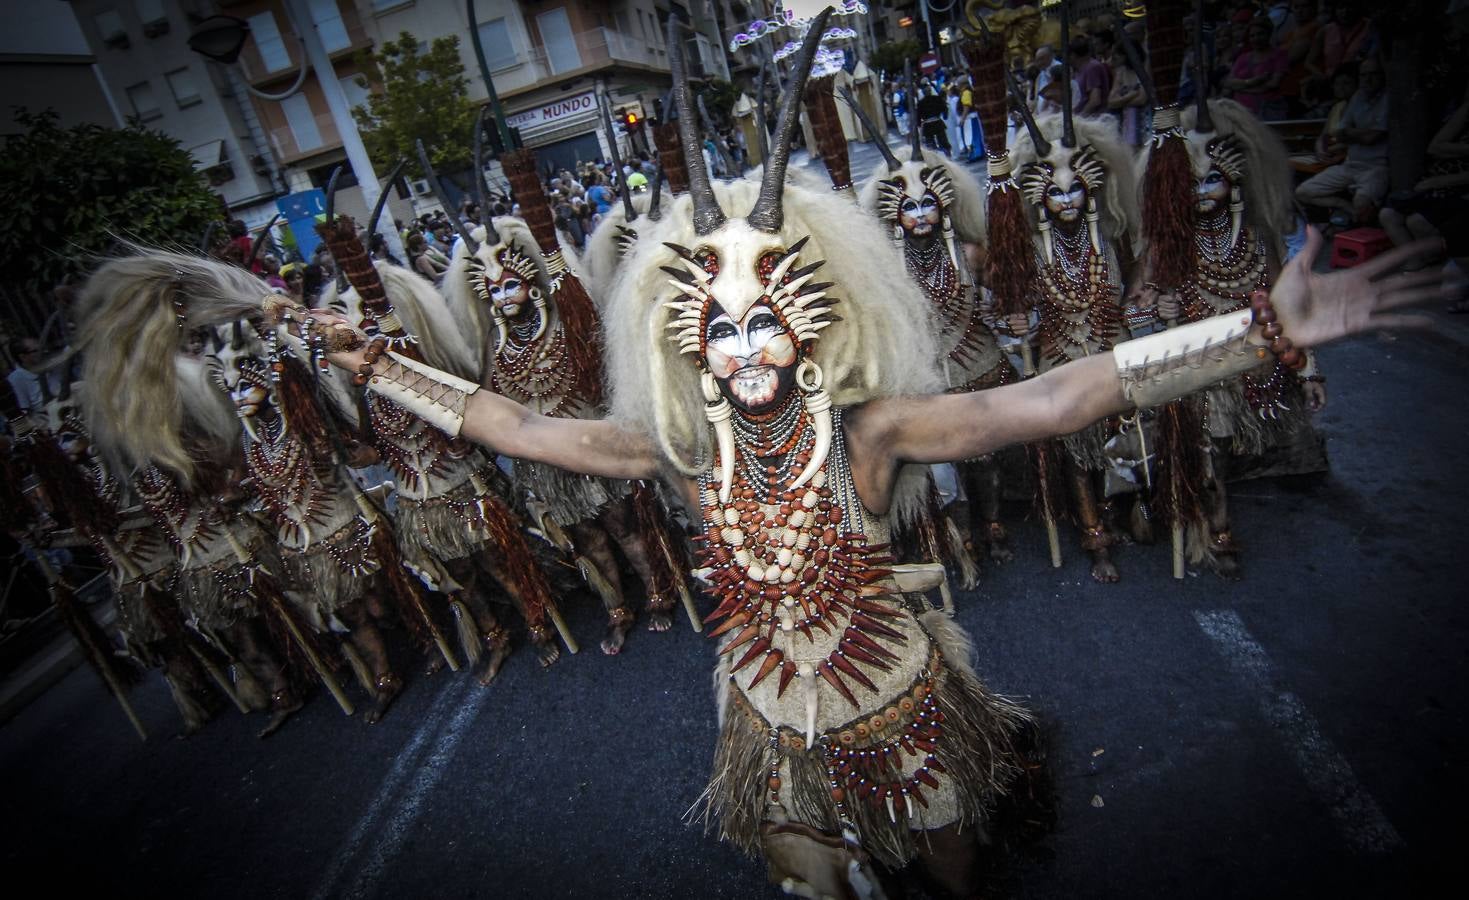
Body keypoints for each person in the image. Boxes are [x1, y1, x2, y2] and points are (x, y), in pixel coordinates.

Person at [288, 18, 1447, 893]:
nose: (744, 348)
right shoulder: (680, 454)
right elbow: (521, 428)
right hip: (765, 728)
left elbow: (1046, 400)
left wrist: (1250, 332)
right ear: (682, 339)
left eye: (765, 319)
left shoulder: (870, 433)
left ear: (811, 318)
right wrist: (375, 365)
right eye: (720, 328)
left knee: (947, 872)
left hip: (900, 707)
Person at [1295, 55, 1388, 227]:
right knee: (1303, 192)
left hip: (1376, 167)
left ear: (1383, 75)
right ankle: (1345, 208)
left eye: (1374, 74)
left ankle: (1357, 227)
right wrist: (1360, 133)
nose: (1368, 79)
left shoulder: (1388, 99)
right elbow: (1340, 133)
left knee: (1362, 203)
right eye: (1364, 75)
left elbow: (1372, 137)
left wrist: (1352, 133)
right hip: (1350, 164)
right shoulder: (1358, 97)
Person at [1224, 18, 1290, 119]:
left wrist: (1240, 88)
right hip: (1241, 111)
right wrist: (1251, 82)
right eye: (1252, 36)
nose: (1256, 38)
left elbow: (1273, 84)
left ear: (1269, 34)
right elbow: (1229, 82)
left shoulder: (1279, 55)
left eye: (1260, 34)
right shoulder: (1243, 57)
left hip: (1268, 110)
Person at [7, 338, 58, 415]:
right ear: (23, 357)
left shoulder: (50, 363)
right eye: (35, 351)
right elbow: (25, 410)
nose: (43, 352)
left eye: (41, 348)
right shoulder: (16, 378)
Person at [1071, 35, 1112, 117]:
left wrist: (1079, 119)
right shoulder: (1077, 70)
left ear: (1073, 55)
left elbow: (1095, 100)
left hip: (1092, 120)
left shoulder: (1092, 67)